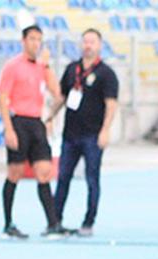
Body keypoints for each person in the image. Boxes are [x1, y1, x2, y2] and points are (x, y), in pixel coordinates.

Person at [47, 28, 119, 238]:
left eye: (92, 42)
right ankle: (55, 219)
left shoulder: (106, 73)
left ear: (99, 46)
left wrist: (105, 131)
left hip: (93, 135)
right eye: (85, 41)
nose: (88, 45)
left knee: (92, 179)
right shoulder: (72, 69)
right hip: (70, 134)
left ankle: (88, 221)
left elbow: (111, 104)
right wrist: (50, 116)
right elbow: (62, 96)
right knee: (63, 177)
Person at [0, 25, 66, 239]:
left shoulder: (41, 67)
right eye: (32, 39)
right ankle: (8, 223)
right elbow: (2, 98)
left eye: (39, 40)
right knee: (15, 173)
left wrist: (47, 67)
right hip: (19, 121)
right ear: (24, 41)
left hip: (37, 121)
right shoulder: (12, 66)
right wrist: (8, 128)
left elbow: (57, 93)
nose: (36, 43)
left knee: (44, 171)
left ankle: (52, 223)